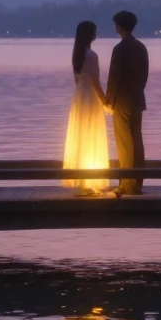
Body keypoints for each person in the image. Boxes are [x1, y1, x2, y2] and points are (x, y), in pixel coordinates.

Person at [62, 21, 111, 195]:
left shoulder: (77, 55)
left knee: (82, 133)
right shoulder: (92, 55)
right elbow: (95, 81)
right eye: (95, 31)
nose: (97, 34)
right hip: (90, 96)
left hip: (79, 95)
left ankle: (84, 181)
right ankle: (88, 183)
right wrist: (105, 101)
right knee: (91, 133)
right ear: (90, 35)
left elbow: (78, 79)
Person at [104, 10, 148, 196]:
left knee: (124, 143)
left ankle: (127, 184)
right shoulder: (141, 47)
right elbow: (145, 75)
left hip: (122, 101)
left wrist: (108, 101)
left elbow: (114, 78)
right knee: (136, 141)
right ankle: (136, 183)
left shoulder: (120, 49)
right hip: (137, 99)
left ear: (120, 26)